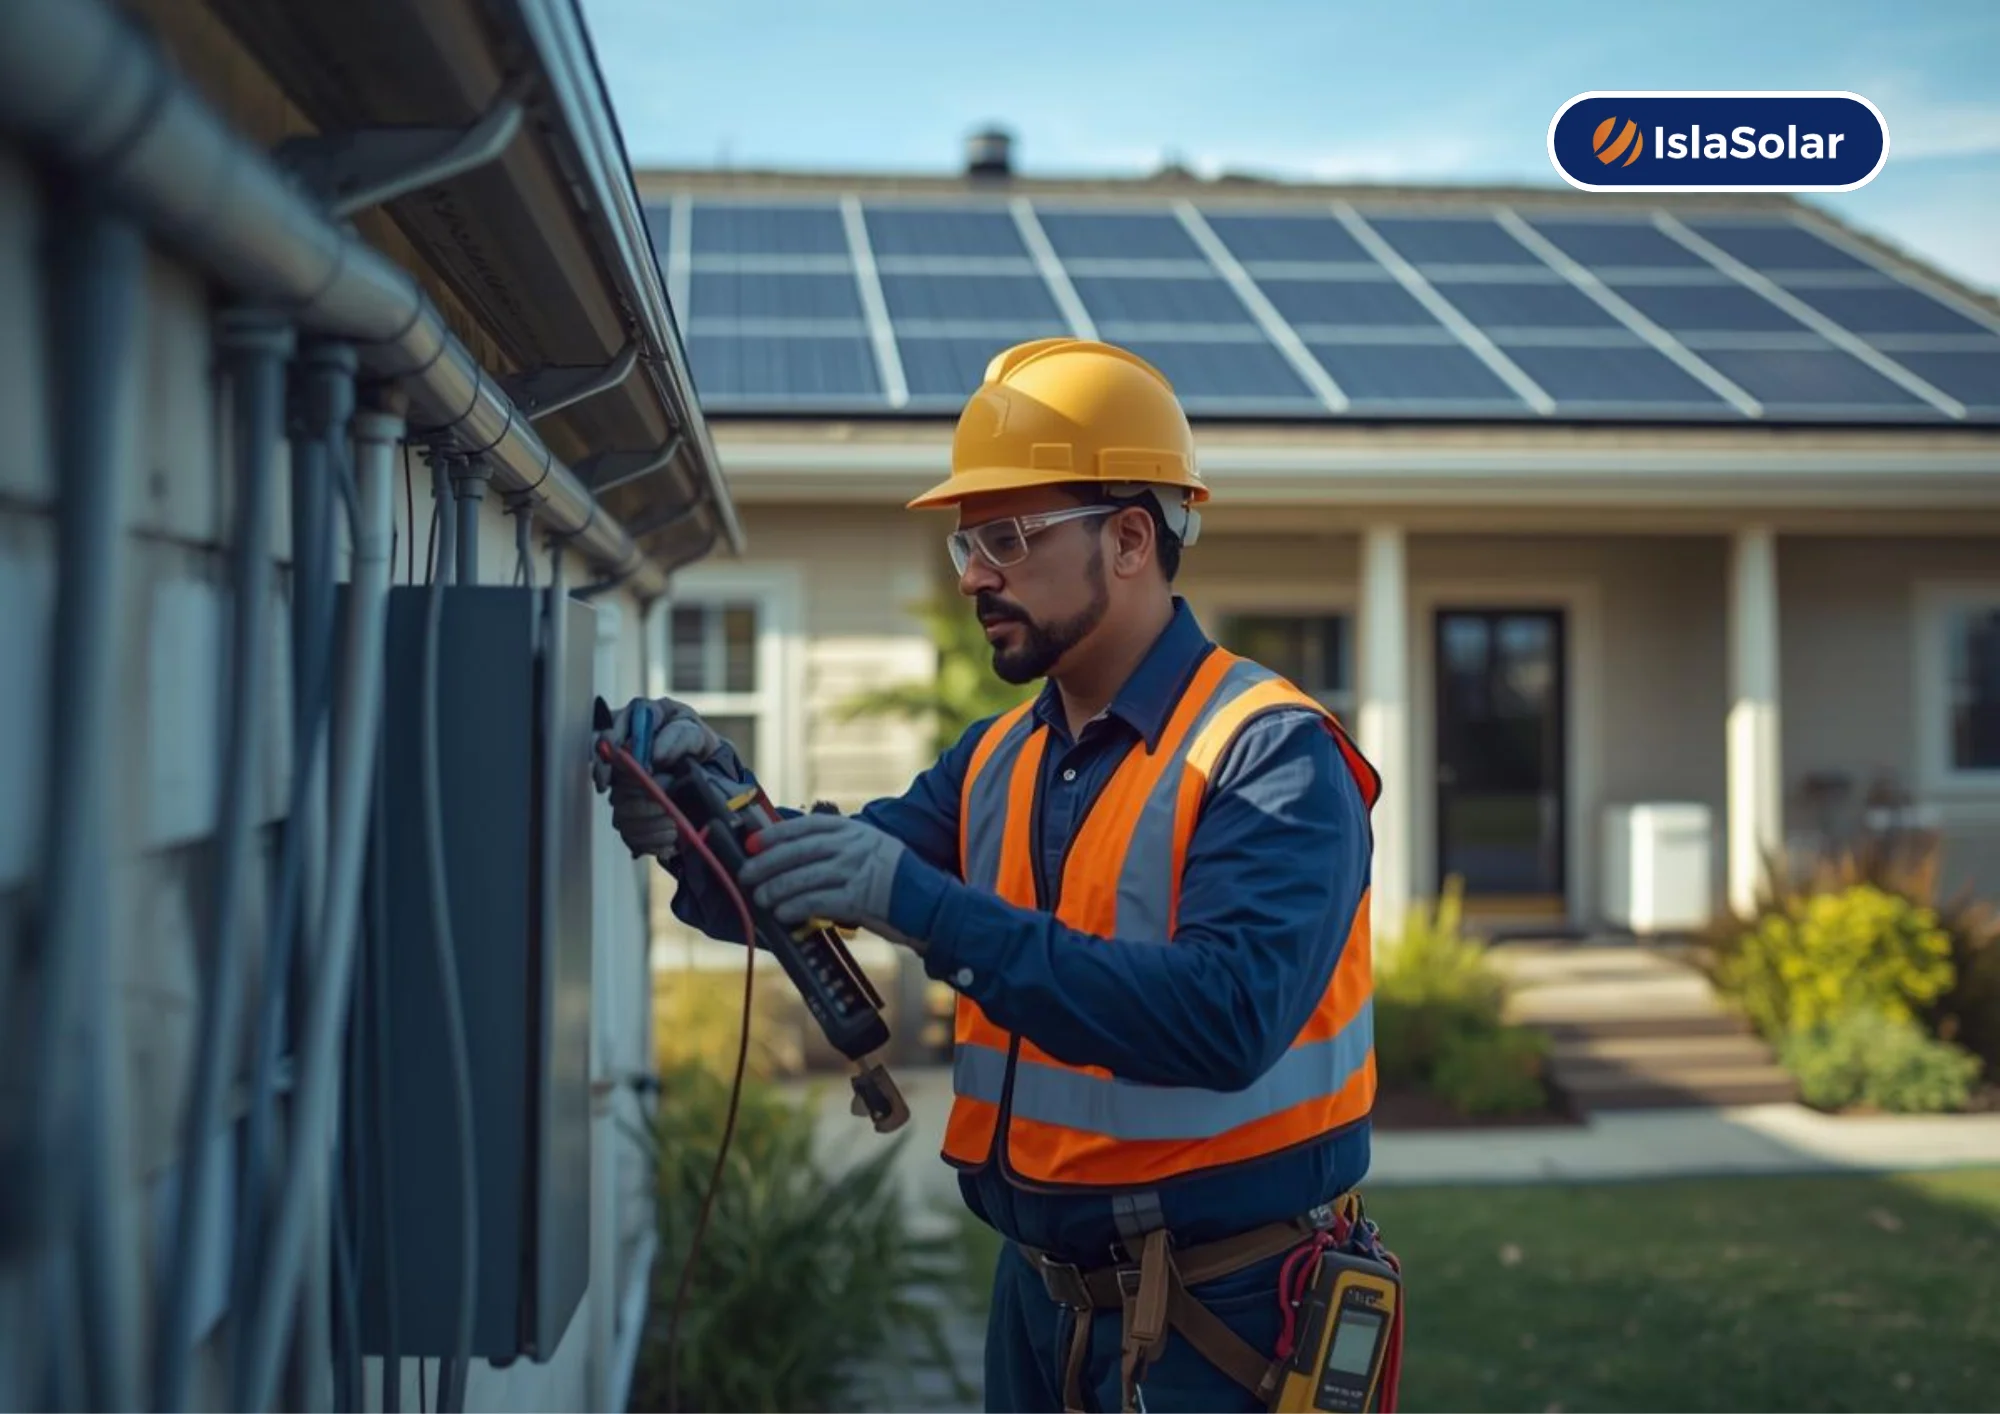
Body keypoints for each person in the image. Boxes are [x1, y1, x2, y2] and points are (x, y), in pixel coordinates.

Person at [595, 337, 1381, 1414]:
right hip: (1040, 1303)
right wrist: (696, 822)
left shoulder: (1269, 751)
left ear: (1130, 538)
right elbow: (828, 874)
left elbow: (1226, 1018)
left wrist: (919, 906)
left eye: (1007, 537)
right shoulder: (998, 756)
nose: (971, 574)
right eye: (968, 541)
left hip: (1225, 1318)